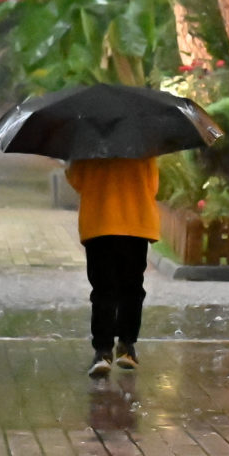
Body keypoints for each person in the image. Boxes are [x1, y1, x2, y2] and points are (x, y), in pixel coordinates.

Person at [62, 155, 160, 376]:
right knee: (132, 288)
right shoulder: (143, 148)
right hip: (136, 224)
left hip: (99, 223)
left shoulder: (89, 147)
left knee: (103, 289)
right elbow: (152, 186)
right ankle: (127, 345)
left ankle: (103, 351)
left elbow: (77, 180)